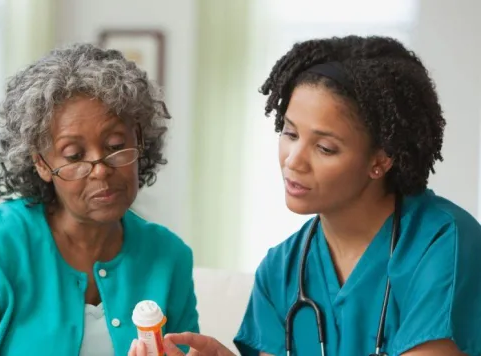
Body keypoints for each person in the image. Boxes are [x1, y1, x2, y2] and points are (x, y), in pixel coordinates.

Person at [130, 35, 481, 356]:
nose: (293, 161)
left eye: (325, 147)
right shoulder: (281, 270)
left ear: (380, 159)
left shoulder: (444, 242)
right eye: (290, 132)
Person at [0, 43, 199, 355]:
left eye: (115, 145)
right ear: (42, 164)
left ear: (139, 143)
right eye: (74, 154)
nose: (101, 170)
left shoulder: (169, 257)